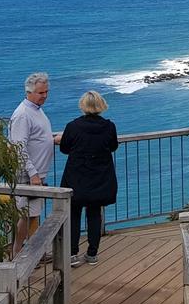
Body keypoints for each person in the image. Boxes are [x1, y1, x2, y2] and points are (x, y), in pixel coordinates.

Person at [59, 90, 118, 267]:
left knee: (74, 215)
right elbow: (113, 146)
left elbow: (64, 148)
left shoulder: (73, 126)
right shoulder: (109, 126)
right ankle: (92, 254)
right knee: (94, 214)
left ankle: (72, 254)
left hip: (76, 176)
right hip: (99, 177)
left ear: (83, 106)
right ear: (101, 105)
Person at [9, 72, 58, 255]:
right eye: (40, 93)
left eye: (46, 92)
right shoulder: (23, 114)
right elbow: (18, 148)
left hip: (37, 172)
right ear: (29, 92)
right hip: (28, 174)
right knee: (26, 214)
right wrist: (33, 173)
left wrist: (52, 140)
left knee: (33, 214)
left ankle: (33, 250)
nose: (44, 95)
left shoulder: (36, 109)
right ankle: (19, 252)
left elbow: (37, 137)